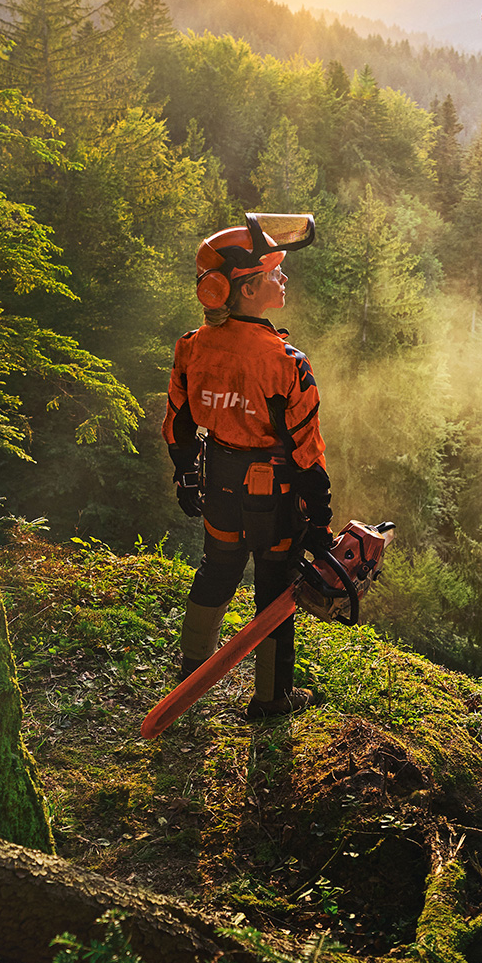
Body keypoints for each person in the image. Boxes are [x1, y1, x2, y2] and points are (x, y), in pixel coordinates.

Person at [163, 214, 332, 718]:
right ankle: (272, 698)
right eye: (275, 273)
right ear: (250, 289)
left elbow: (178, 422)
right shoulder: (286, 362)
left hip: (218, 478)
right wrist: (319, 517)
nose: (284, 278)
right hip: (273, 490)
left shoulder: (193, 347)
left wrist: (186, 472)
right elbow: (306, 451)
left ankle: (193, 669)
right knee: (274, 585)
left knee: (217, 568)